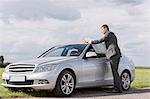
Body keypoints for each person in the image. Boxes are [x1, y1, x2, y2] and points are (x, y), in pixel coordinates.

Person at [85, 24, 122, 93]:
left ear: (105, 28)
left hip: (113, 55)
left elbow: (100, 40)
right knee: (115, 72)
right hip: (114, 55)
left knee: (115, 72)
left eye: (102, 29)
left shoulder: (108, 34)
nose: (101, 31)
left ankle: (117, 89)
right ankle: (118, 88)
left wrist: (90, 41)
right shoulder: (110, 35)